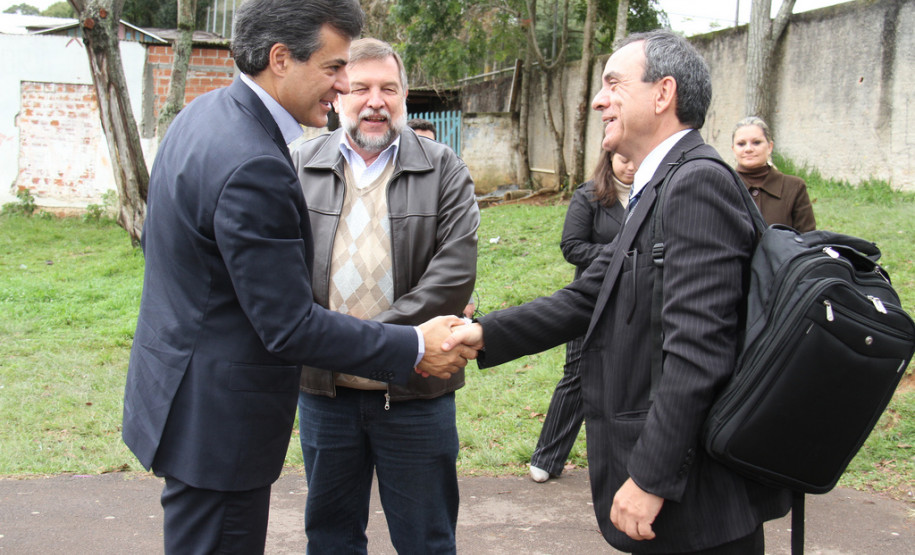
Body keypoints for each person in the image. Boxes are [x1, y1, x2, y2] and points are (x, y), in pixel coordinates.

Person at [121, 3, 475, 553]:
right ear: (280, 59)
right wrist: (408, 343)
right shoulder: (258, 161)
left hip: (191, 402)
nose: (342, 88)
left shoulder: (204, 115)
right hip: (222, 424)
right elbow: (286, 324)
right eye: (336, 70)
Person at [444, 30, 791, 554]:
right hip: (678, 492)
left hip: (698, 503)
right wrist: (481, 333)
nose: (599, 100)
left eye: (613, 84)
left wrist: (651, 478)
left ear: (662, 94)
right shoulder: (659, 184)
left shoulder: (697, 182)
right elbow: (589, 295)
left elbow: (699, 351)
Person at [291, 38, 479, 554]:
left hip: (417, 393)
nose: (375, 101)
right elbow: (280, 276)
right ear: (339, 94)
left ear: (404, 95)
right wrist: (358, 346)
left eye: (388, 89)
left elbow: (454, 276)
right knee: (330, 539)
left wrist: (363, 344)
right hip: (325, 393)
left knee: (427, 541)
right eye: (361, 88)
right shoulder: (298, 165)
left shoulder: (445, 169)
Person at [529, 149, 635, 483]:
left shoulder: (654, 192)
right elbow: (572, 246)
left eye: (636, 160)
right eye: (623, 160)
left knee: (634, 378)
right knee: (577, 373)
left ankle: (632, 464)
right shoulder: (589, 195)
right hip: (592, 298)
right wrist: (621, 253)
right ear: (609, 160)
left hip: (639, 299)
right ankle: (547, 457)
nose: (631, 167)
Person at [406, 116, 479, 319]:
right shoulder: (392, 186)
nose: (425, 149)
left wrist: (468, 299)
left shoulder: (448, 185)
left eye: (430, 142)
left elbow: (460, 247)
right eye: (418, 142)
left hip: (440, 296)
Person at [732, 116, 816, 231]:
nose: (748, 149)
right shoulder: (722, 185)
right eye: (741, 144)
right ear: (733, 149)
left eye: (756, 142)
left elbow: (808, 238)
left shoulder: (794, 187)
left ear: (770, 147)